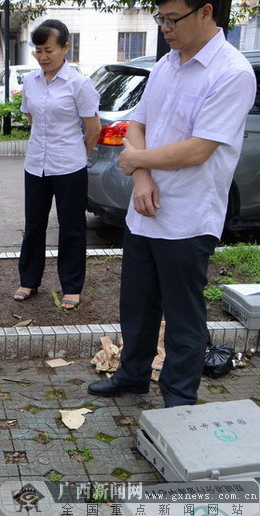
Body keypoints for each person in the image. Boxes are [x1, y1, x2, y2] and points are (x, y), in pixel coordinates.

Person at [88, 0, 256, 407]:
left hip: (188, 216)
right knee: (137, 304)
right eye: (160, 18)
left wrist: (136, 160)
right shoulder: (166, 65)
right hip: (144, 211)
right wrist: (141, 176)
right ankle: (133, 375)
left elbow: (199, 149)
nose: (165, 27)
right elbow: (139, 125)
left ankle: (179, 398)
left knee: (183, 316)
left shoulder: (232, 73)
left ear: (205, 12)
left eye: (173, 18)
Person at [13, 19, 101, 309]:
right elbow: (31, 116)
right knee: (33, 225)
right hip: (36, 164)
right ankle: (29, 280)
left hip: (69, 168)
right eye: (38, 50)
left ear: (65, 48)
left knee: (72, 227)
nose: (43, 56)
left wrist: (78, 153)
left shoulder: (79, 84)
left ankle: (72, 287)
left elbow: (93, 128)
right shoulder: (31, 81)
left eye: (48, 49)